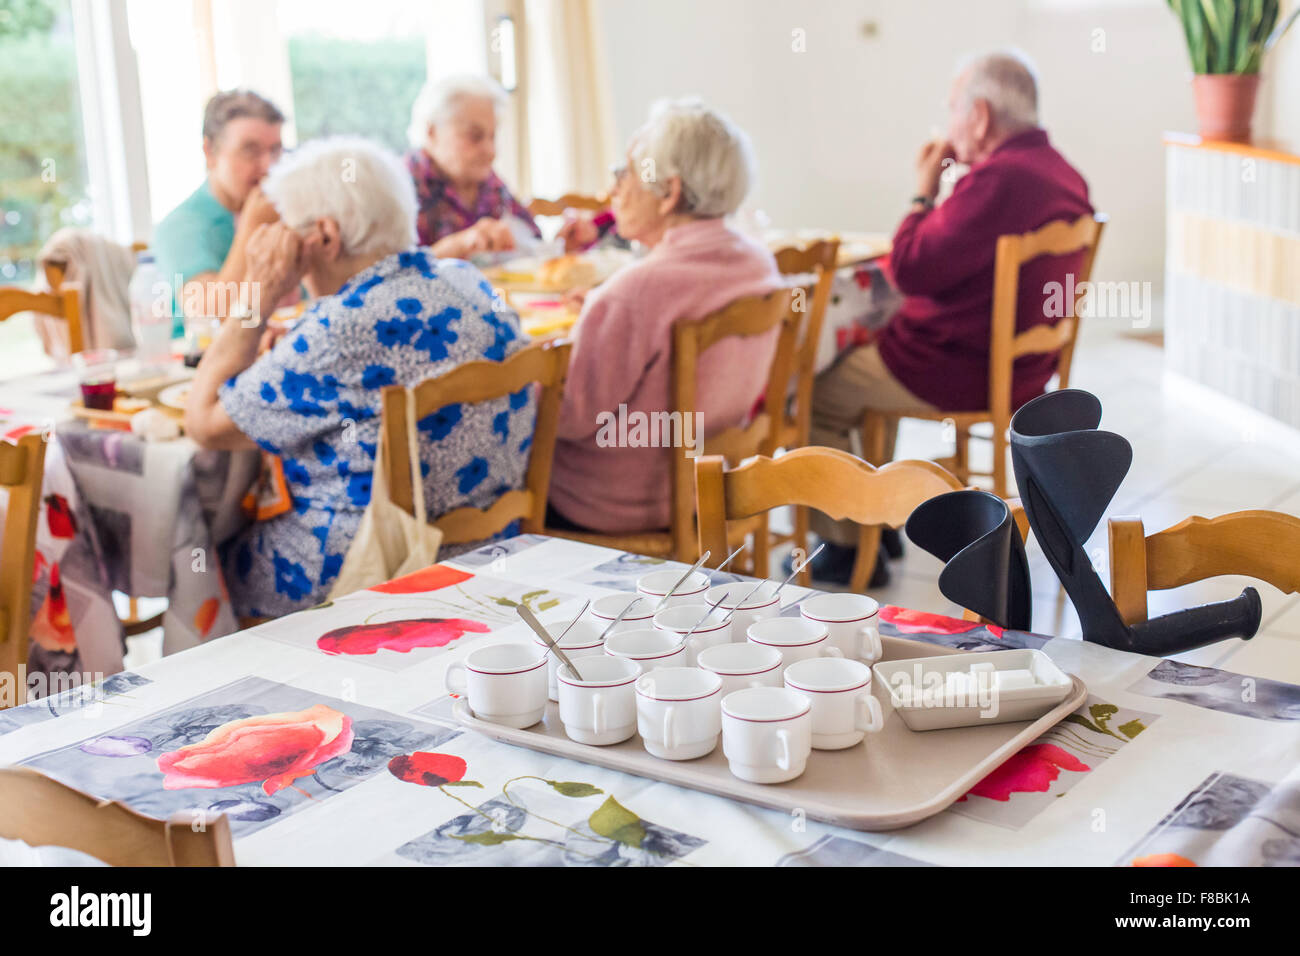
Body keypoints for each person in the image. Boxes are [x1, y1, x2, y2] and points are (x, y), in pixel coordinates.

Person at [184, 137, 536, 618]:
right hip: (491, 551)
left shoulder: (342, 328)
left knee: (202, 553)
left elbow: (203, 423)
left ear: (324, 237)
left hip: (376, 571)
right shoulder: (465, 278)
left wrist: (260, 294)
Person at [805, 50, 1094, 585]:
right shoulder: (1064, 176)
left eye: (952, 108)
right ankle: (879, 524)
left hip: (954, 369)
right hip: (1026, 371)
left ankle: (845, 547)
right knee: (863, 367)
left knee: (817, 388)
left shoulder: (996, 181)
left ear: (980, 115)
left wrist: (923, 189)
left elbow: (913, 268)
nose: (948, 122)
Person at [548, 98, 783, 534]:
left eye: (626, 172)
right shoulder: (759, 264)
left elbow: (571, 419)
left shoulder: (634, 293)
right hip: (712, 489)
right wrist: (603, 317)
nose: (613, 190)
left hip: (614, 506)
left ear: (670, 192)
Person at [152, 89, 286, 323]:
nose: (269, 166)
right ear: (210, 152)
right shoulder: (180, 227)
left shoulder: (284, 210)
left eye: (275, 150)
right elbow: (209, 316)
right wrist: (253, 224)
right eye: (250, 151)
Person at [404, 74, 540, 259]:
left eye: (492, 137)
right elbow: (383, 278)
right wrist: (456, 247)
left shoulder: (487, 181)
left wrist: (563, 244)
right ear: (432, 131)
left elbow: (533, 240)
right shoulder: (400, 186)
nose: (491, 151)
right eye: (474, 136)